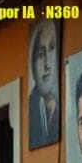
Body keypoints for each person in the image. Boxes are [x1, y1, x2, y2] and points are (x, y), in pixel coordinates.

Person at [28, 18, 60, 149]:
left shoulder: (60, 103)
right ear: (32, 63)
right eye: (41, 54)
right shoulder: (32, 106)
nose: (48, 64)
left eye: (52, 48)